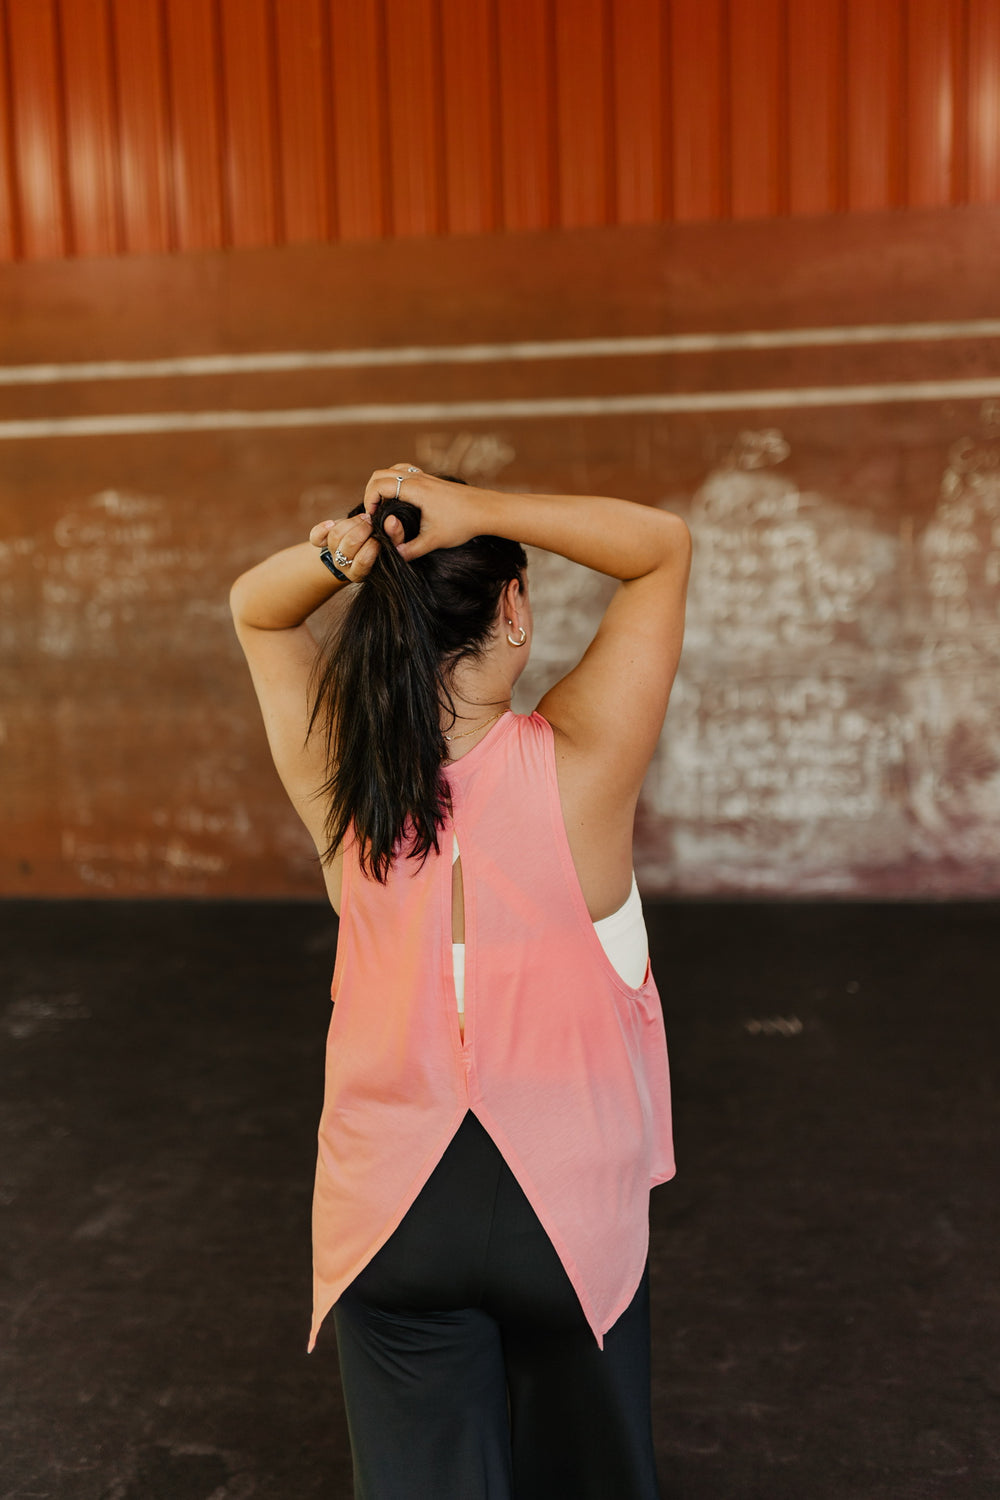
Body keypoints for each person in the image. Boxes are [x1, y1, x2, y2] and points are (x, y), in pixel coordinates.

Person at [229, 464, 691, 1499]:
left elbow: (256, 610)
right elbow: (660, 547)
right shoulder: (584, 763)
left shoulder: (344, 784)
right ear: (513, 610)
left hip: (391, 1221)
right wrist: (481, 510)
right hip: (563, 1220)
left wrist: (343, 551)